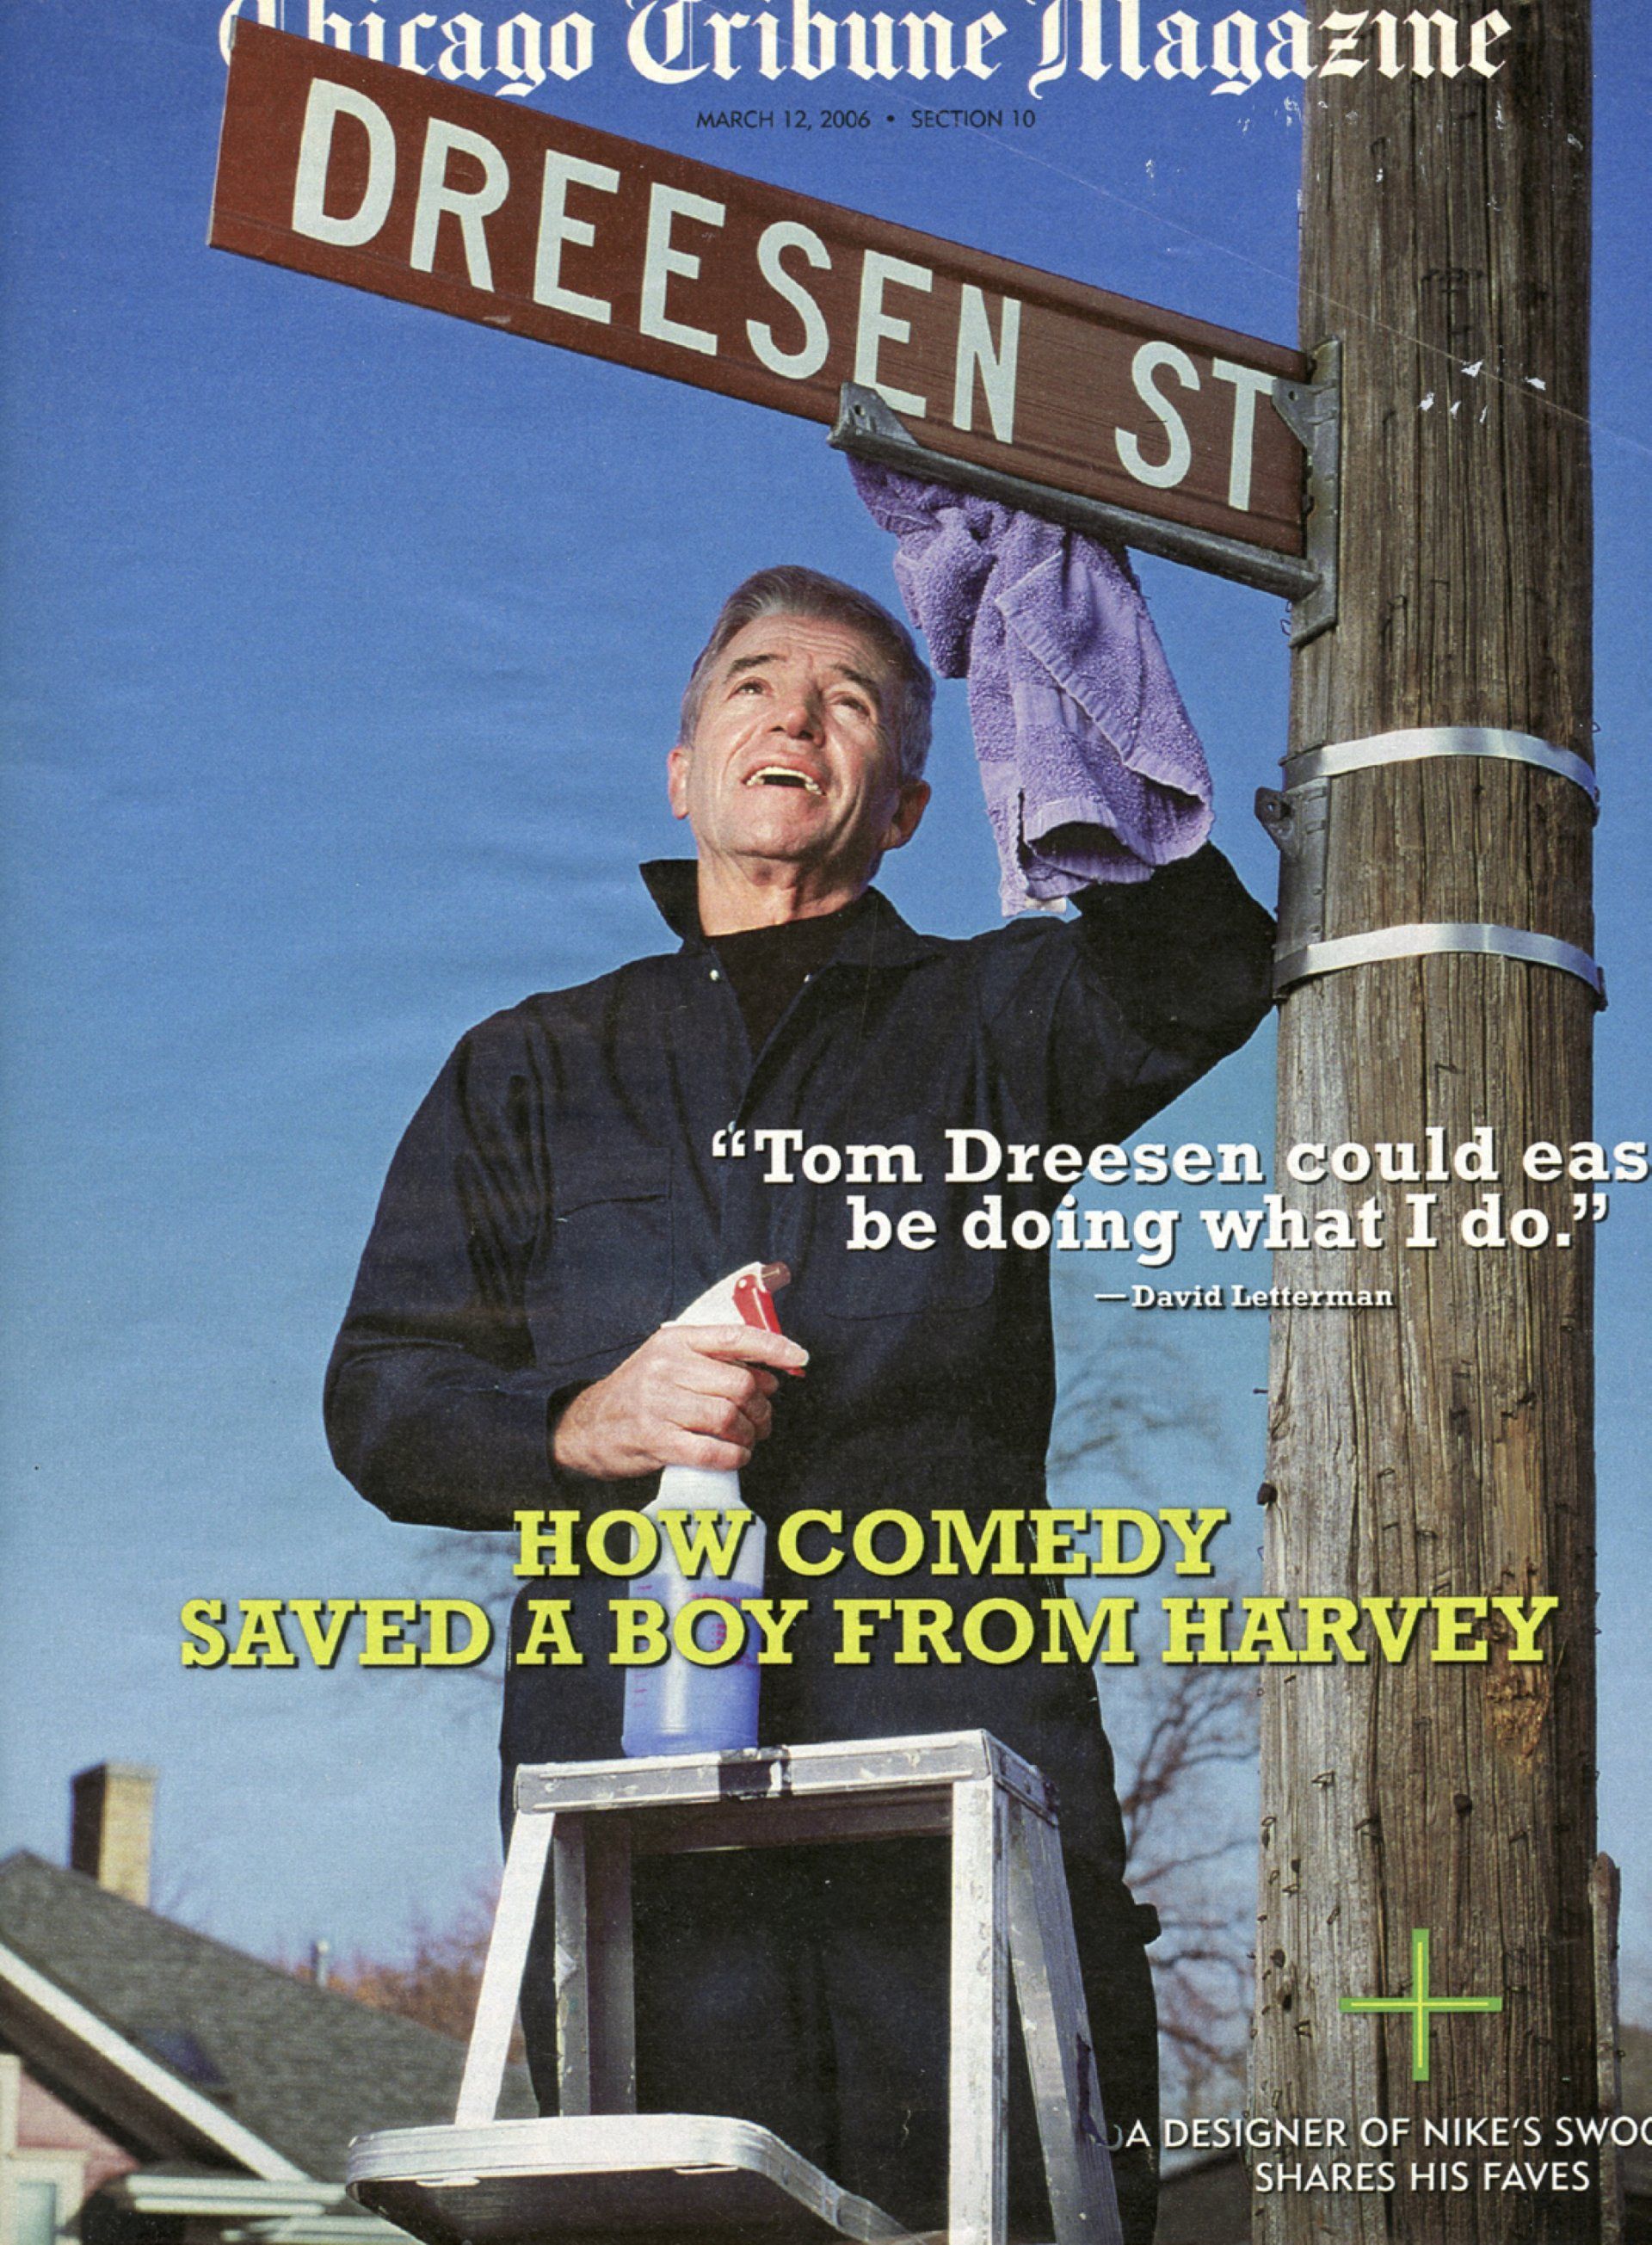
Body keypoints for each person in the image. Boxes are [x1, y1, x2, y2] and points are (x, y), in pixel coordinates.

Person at [325, 565, 1274, 2241]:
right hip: (640, 1793)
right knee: (675, 2216)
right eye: (753, 683)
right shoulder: (528, 1064)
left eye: (850, 700)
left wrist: (1068, 658)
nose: (796, 712)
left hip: (962, 1754)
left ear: (907, 804)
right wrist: (583, 1424)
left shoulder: (999, 1018)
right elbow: (382, 1399)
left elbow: (1201, 966)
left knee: (1018, 2199)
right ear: (681, 767)